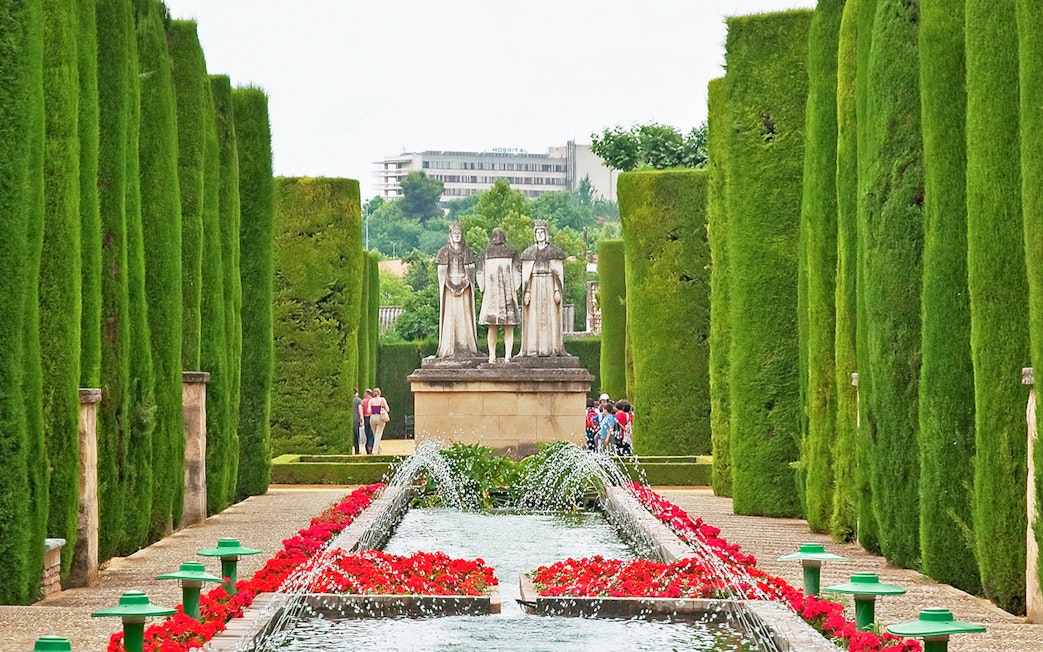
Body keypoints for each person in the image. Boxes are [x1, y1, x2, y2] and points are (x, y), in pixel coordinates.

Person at [519, 220, 566, 357]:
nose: (539, 235)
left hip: (549, 286)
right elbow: (528, 276)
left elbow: (557, 275)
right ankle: (533, 348)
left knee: (550, 317)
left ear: (546, 234)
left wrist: (557, 290)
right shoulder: (529, 253)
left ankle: (551, 348)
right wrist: (527, 291)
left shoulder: (554, 252)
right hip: (534, 288)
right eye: (537, 232)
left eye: (542, 232)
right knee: (533, 317)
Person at [435, 222, 480, 358]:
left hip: (464, 288)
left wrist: (464, 284)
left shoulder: (467, 251)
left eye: (459, 234)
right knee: (450, 317)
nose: (457, 236)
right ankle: (448, 348)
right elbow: (442, 272)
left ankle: (467, 346)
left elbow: (471, 271)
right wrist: (451, 286)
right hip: (449, 291)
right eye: (455, 234)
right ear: (450, 235)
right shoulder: (444, 252)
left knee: (465, 316)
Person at [477, 227, 521, 363]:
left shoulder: (487, 253)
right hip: (504, 294)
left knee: (496, 327)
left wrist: (483, 288)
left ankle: (494, 356)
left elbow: (480, 274)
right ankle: (502, 356)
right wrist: (515, 288)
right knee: (505, 327)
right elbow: (517, 273)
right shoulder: (510, 253)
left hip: (496, 295)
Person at [369, 387, 390, 455]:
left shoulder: (371, 400)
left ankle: (378, 451)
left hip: (372, 417)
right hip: (380, 417)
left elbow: (368, 411)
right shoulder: (382, 399)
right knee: (378, 435)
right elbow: (387, 409)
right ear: (379, 393)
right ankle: (374, 451)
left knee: (375, 435)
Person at [359, 388, 375, 455]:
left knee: (367, 433)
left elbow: (360, 409)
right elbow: (375, 411)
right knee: (371, 434)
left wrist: (361, 419)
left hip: (365, 418)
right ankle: (370, 447)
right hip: (372, 417)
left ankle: (367, 447)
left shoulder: (363, 401)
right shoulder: (372, 400)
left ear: (366, 393)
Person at [351, 387, 362, 455]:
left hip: (350, 419)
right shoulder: (358, 400)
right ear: (356, 393)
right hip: (356, 419)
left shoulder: (349, 400)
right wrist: (362, 419)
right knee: (356, 435)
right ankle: (356, 451)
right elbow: (360, 409)